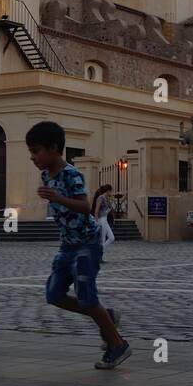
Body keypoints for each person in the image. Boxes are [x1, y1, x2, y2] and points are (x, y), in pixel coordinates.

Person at [28, 120, 130, 369]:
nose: (33, 157)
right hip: (67, 245)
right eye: (31, 152)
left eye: (36, 151)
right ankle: (108, 317)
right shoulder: (45, 174)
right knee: (53, 294)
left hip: (87, 243)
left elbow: (85, 206)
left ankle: (117, 344)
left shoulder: (72, 174)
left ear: (54, 148)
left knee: (86, 296)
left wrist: (58, 198)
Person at [92, 184, 116, 255]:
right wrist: (96, 222)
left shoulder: (106, 199)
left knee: (111, 238)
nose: (111, 193)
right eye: (111, 191)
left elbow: (107, 211)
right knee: (102, 239)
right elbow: (96, 210)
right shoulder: (101, 198)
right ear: (108, 191)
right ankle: (99, 256)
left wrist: (111, 206)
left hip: (105, 219)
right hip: (101, 220)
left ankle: (99, 251)